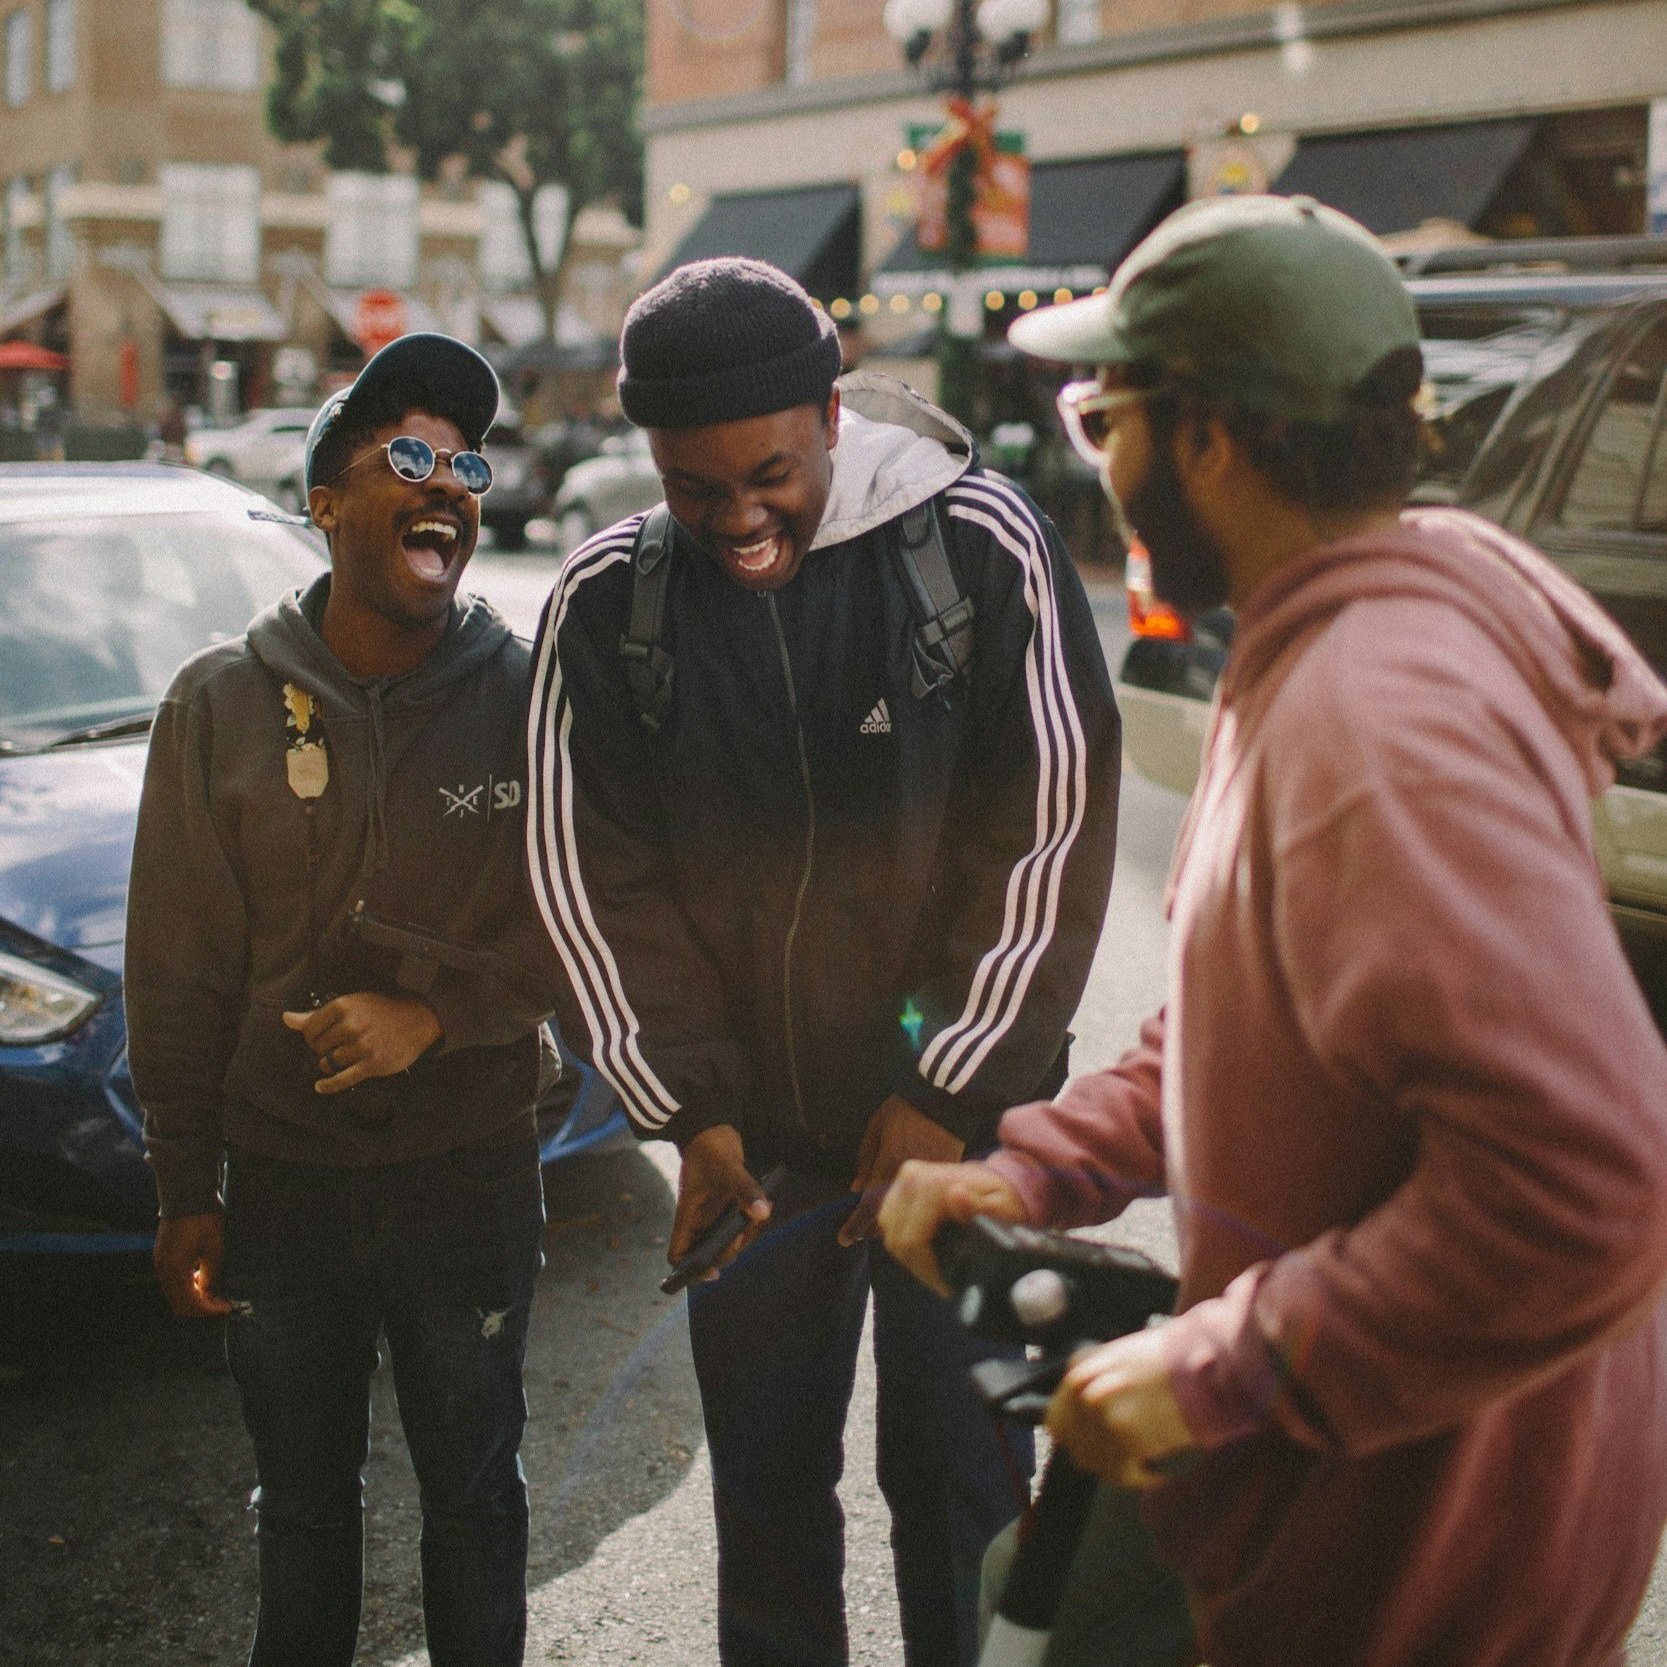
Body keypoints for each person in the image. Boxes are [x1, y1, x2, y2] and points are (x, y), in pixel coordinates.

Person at [880, 192, 1667, 1667]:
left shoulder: (1376, 726)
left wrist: (1219, 1367)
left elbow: (1589, 1180)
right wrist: (1043, 1167)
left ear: (1213, 438)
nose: (1095, 460)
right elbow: (1268, 1019)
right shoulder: (1325, 646)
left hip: (1428, 1560)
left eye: (1103, 414)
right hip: (1389, 1504)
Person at [526, 256, 1122, 1667]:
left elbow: (1049, 831)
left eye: (771, 474)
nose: (738, 520)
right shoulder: (609, 607)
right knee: (771, 1505)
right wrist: (696, 1115)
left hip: (961, 1142)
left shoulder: (979, 543)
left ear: (835, 412)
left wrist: (946, 1090)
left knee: (968, 1488)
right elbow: (587, 884)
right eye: (693, 487)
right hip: (760, 1157)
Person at [127, 333, 560, 1667]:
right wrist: (185, 1185)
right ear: (326, 501)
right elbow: (179, 970)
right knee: (303, 1511)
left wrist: (442, 1017)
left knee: (477, 1501)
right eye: (411, 456)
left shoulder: (531, 691)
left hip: (469, 1174)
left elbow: (595, 930)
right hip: (285, 1189)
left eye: (468, 463)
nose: (450, 484)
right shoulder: (218, 705)